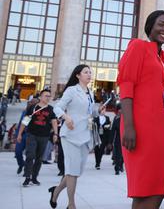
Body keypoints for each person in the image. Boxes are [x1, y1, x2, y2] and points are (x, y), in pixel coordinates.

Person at [117, 10, 164, 209]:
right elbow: (126, 85)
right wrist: (129, 127)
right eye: (161, 24)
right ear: (150, 25)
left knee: (158, 187)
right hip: (140, 126)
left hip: (163, 127)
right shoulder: (137, 47)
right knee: (143, 188)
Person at [50, 64, 103, 209]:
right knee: (72, 172)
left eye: (90, 72)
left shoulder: (90, 93)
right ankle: (71, 204)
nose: (89, 74)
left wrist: (98, 111)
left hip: (85, 136)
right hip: (70, 135)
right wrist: (66, 117)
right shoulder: (72, 90)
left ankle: (55, 191)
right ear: (78, 75)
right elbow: (57, 107)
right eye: (86, 72)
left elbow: (90, 113)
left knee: (75, 172)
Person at [17, 89, 58, 186]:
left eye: (49, 96)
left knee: (39, 158)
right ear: (40, 97)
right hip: (32, 135)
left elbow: (54, 121)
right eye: (46, 96)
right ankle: (27, 177)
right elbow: (25, 121)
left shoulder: (51, 109)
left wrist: (56, 134)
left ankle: (34, 177)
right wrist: (19, 134)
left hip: (44, 136)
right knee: (30, 155)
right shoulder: (32, 107)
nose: (48, 98)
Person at [111, 103, 124, 175]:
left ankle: (121, 165)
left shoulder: (126, 118)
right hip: (118, 139)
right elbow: (113, 130)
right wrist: (110, 142)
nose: (120, 111)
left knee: (123, 155)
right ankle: (117, 168)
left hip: (125, 139)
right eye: (119, 109)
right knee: (117, 154)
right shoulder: (116, 119)